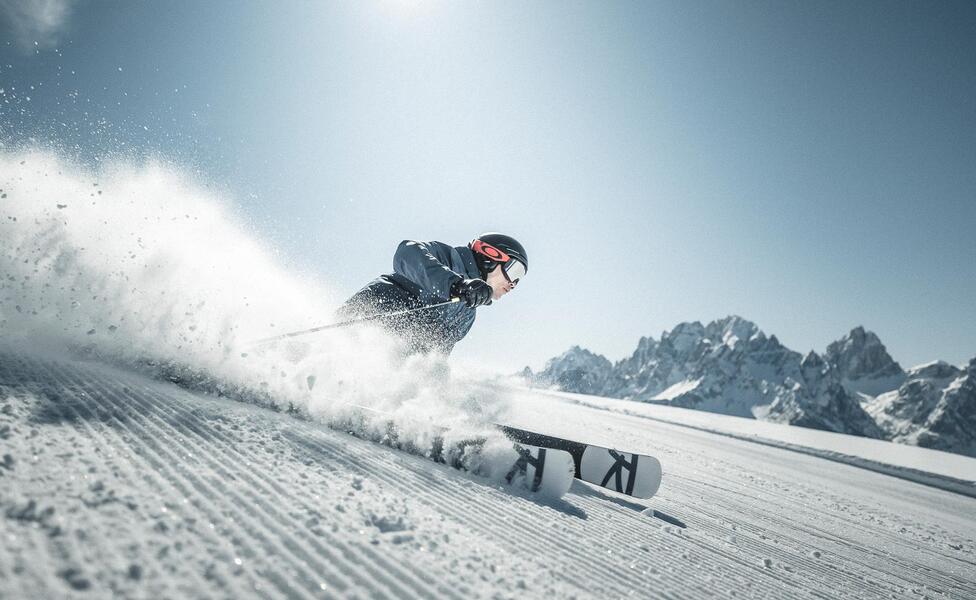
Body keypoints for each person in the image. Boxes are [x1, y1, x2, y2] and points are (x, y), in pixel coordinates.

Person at [337, 233, 527, 356]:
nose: (512, 284)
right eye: (515, 271)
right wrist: (457, 285)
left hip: (393, 354)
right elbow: (406, 254)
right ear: (490, 255)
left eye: (518, 281)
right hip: (370, 315)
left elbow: (437, 354)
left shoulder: (467, 314)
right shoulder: (448, 258)